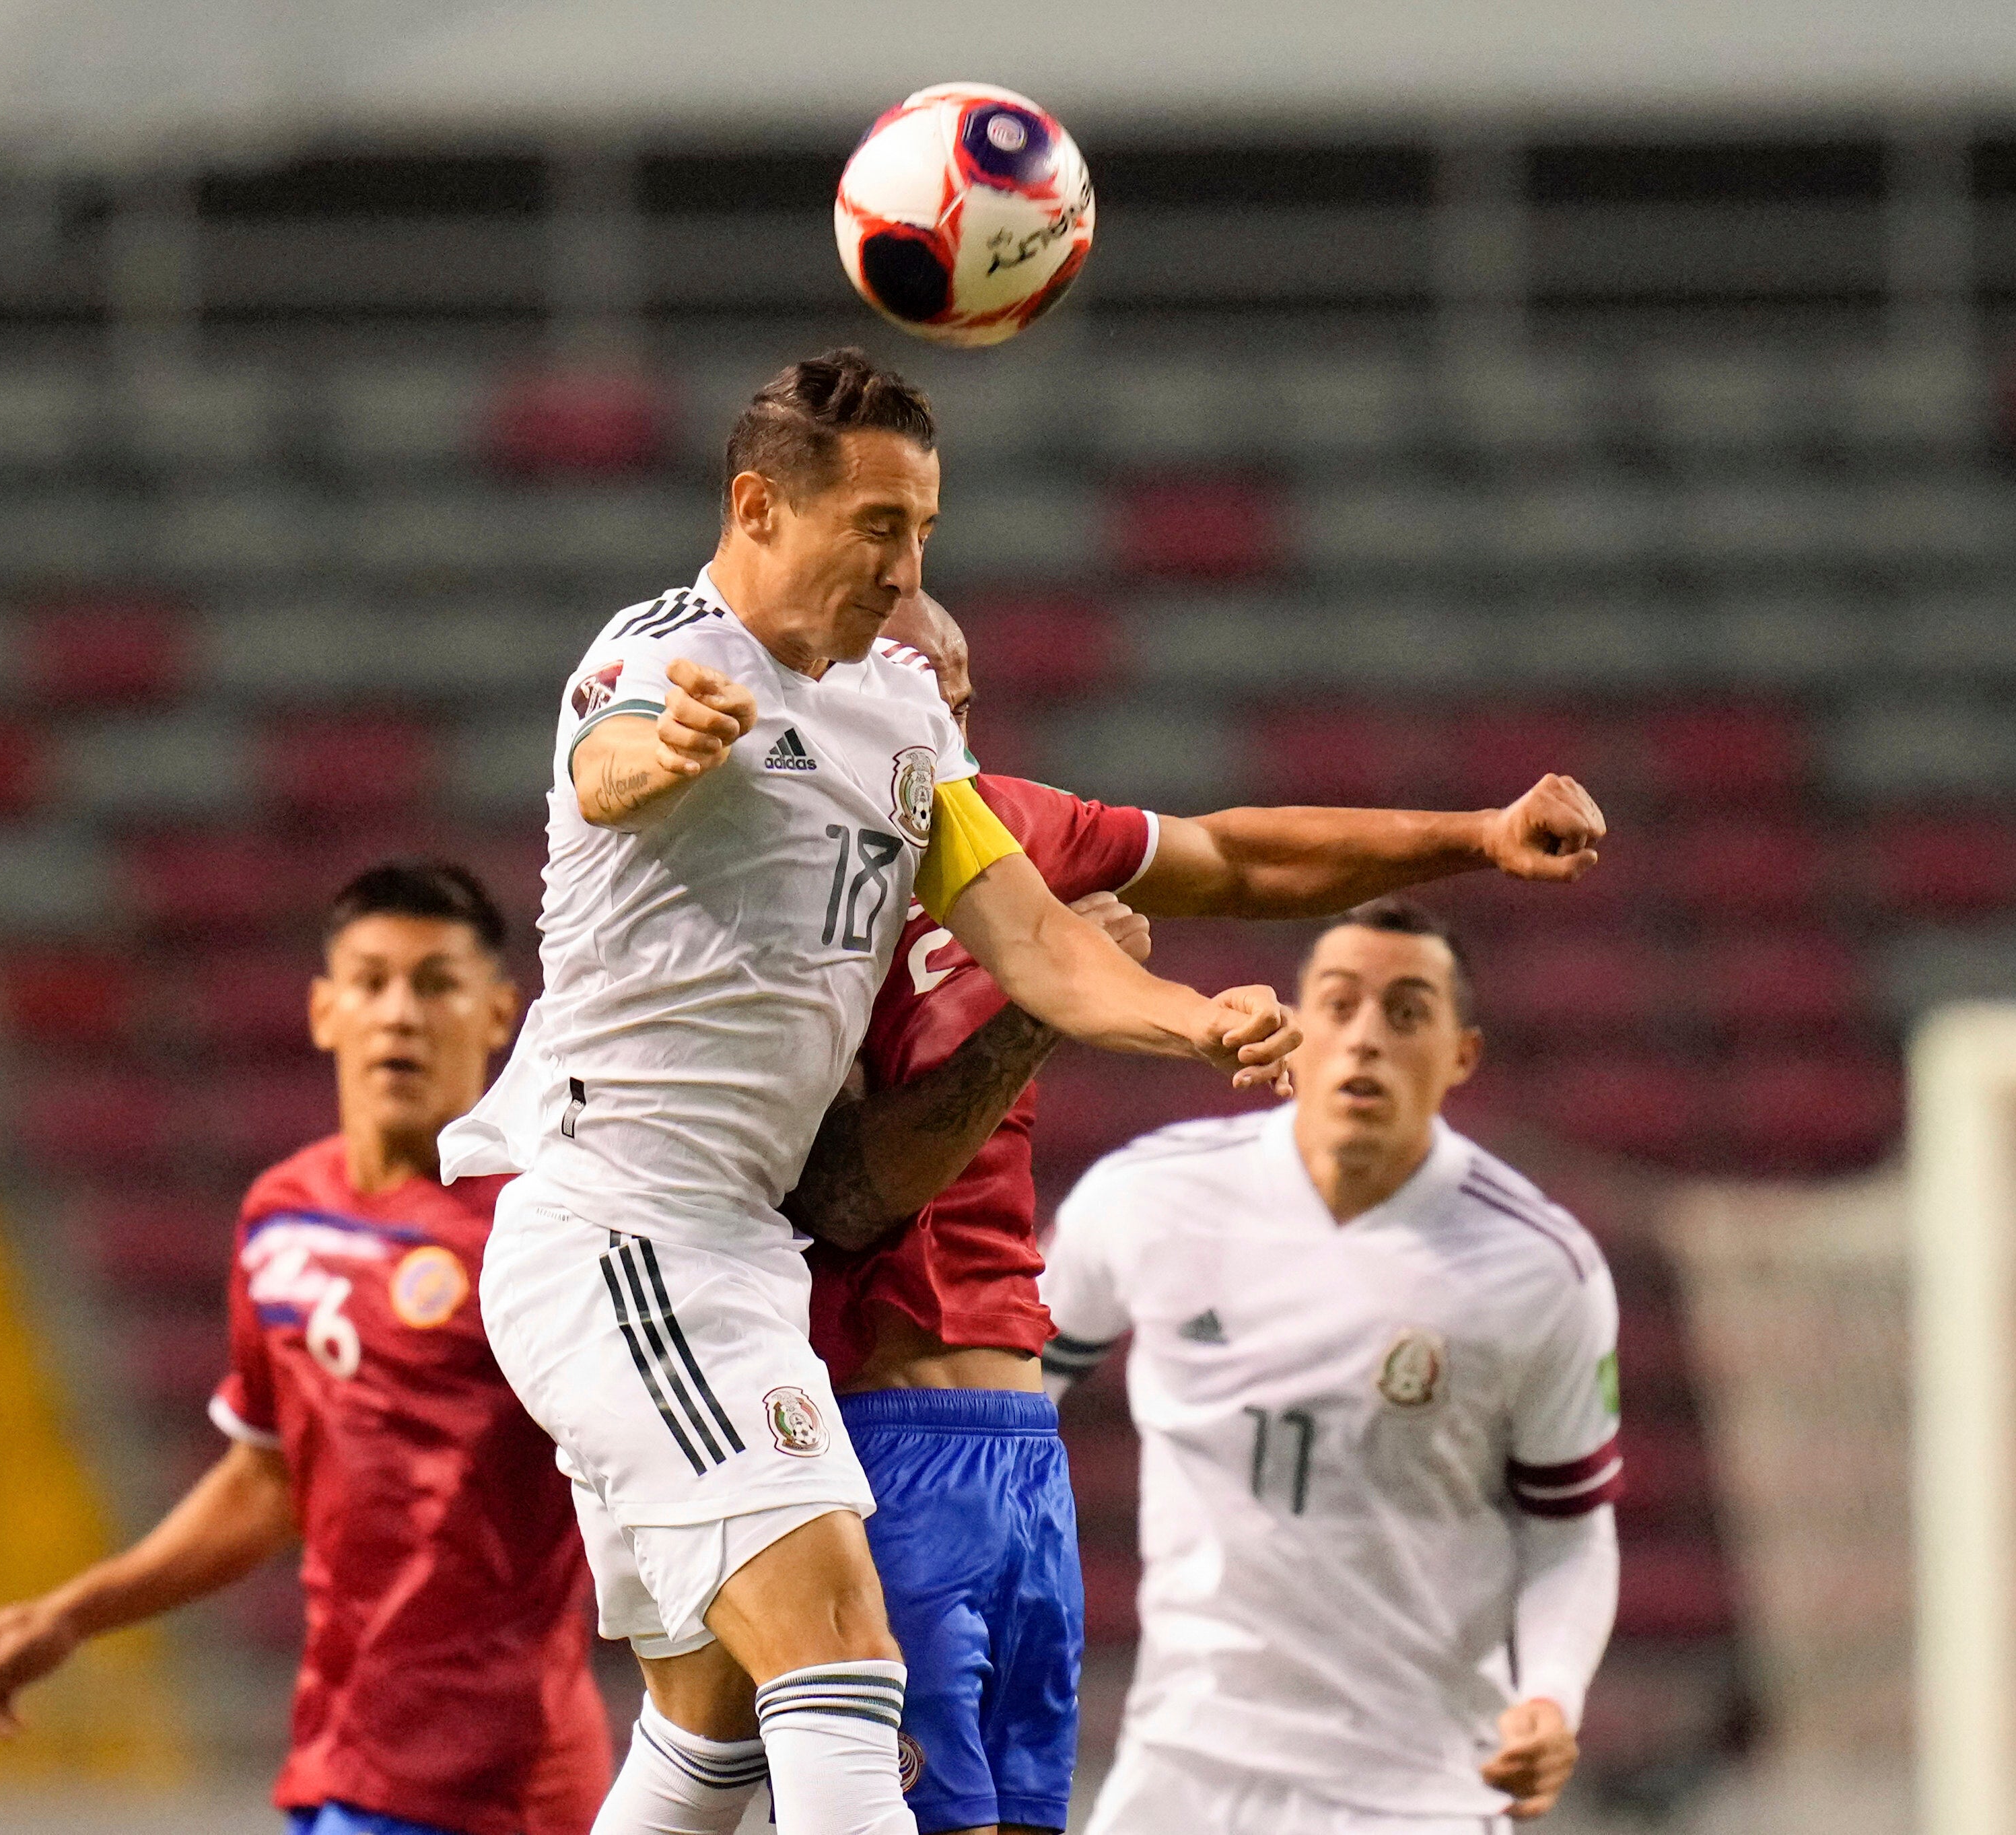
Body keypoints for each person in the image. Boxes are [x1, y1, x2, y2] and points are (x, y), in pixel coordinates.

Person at [440, 348, 1301, 1835]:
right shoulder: (663, 653)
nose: (906, 570)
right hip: (620, 1236)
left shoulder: (901, 717)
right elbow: (603, 766)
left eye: (924, 534)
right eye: (878, 529)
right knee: (843, 1652)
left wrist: (1192, 1020)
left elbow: (1031, 938)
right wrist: (667, 753)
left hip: (736, 1256)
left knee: (706, 1723)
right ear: (759, 505)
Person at [775, 593, 1609, 1835]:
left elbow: (1235, 857)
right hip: (872, 1438)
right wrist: (1052, 996)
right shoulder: (787, 881)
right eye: (911, 689)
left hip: (1013, 1471)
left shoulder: (1001, 829)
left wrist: (1477, 832)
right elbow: (845, 1199)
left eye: (957, 697)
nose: (943, 721)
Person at [0, 861, 609, 1835]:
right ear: (323, 1009)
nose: (400, 1014)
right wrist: (73, 1613)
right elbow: (266, 1480)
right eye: (371, 981)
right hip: (342, 1753)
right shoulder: (280, 1215)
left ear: (500, 1012)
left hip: (494, 1772)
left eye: (435, 984)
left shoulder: (541, 1229)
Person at [1041, 901, 1622, 1834]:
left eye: (1404, 1013)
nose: (1364, 1039)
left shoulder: (1539, 1267)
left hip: (1417, 1785)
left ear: (1461, 1054)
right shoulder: (1147, 1198)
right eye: (1339, 1005)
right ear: (1294, 1029)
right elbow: (996, 1401)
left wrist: (1551, 1697)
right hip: (1183, 1768)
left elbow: (1569, 1529)